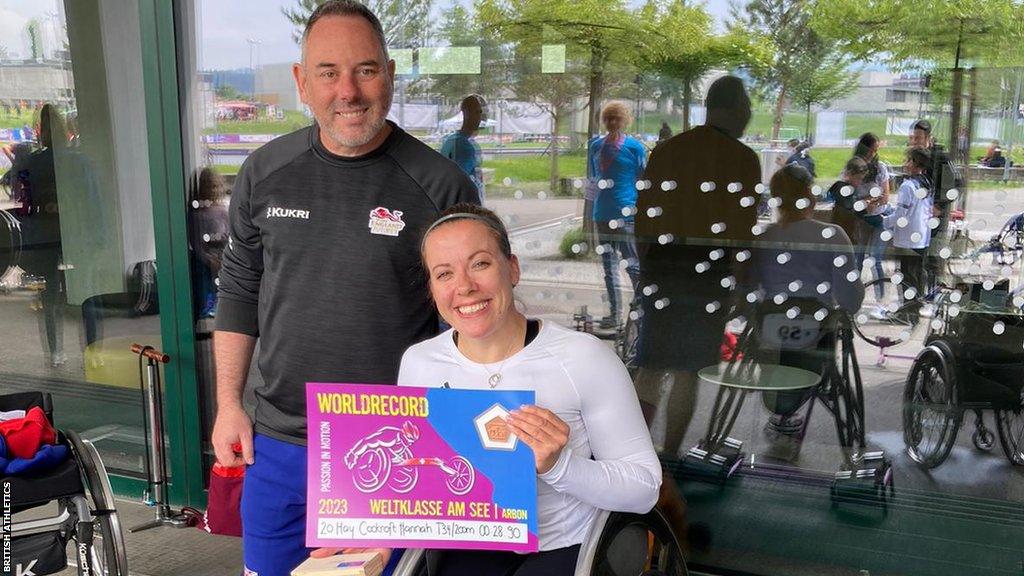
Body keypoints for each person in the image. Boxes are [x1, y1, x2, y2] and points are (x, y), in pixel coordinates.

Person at [210, 2, 479, 575]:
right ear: (302, 83)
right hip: (276, 440)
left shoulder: (440, 185)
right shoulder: (263, 172)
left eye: (366, 70)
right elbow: (238, 291)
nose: (349, 91)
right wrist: (229, 405)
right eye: (329, 72)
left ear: (390, 74)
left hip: (390, 441)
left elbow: (471, 323)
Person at [397, 203, 661, 574]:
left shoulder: (583, 358)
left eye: (480, 264)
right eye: (444, 274)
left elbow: (644, 488)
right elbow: (415, 481)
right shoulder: (419, 363)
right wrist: (361, 524)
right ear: (432, 288)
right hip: (462, 543)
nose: (465, 287)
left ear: (513, 268)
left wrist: (559, 466)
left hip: (563, 549)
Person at [634, 75, 761, 456]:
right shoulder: (742, 160)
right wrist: (741, 284)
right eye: (747, 108)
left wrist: (647, 270)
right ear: (738, 110)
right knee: (689, 370)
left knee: (652, 366)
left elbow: (644, 219)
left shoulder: (669, 151)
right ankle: (671, 453)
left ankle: (636, 452)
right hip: (710, 273)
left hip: (663, 265)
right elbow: (741, 233)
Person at [749, 164, 864, 435]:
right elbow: (851, 299)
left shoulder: (764, 237)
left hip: (769, 331)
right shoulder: (832, 235)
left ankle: (781, 407)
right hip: (816, 332)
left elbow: (749, 290)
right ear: (811, 196)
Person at [16, 104, 67, 367]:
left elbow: (21, 197)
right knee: (89, 300)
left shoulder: (33, 164)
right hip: (71, 237)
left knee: (50, 298)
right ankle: (93, 348)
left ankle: (55, 351)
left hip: (44, 238)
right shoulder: (76, 160)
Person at [587, 101, 646, 328]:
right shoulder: (595, 146)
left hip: (626, 215)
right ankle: (614, 313)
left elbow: (643, 180)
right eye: (608, 118)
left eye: (616, 118)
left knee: (633, 266)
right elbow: (593, 180)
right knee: (609, 268)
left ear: (625, 120)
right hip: (601, 213)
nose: (612, 122)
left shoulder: (635, 148)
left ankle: (639, 310)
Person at [882, 148, 934, 320]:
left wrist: (884, 221)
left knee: (906, 276)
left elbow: (901, 216)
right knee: (916, 274)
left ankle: (908, 311)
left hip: (907, 238)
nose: (905, 164)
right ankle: (915, 309)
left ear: (913, 163)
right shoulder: (926, 182)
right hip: (922, 236)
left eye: (907, 160)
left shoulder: (907, 186)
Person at [189, 167, 229, 318]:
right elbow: (196, 241)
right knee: (203, 277)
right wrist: (208, 259)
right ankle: (207, 307)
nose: (215, 190)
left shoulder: (223, 211)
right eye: (211, 186)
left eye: (218, 186)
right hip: (205, 260)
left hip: (222, 256)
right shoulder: (198, 214)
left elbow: (230, 234)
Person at [440, 95, 486, 203]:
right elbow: (462, 183)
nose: (480, 117)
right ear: (465, 113)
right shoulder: (463, 146)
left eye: (480, 112)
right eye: (477, 112)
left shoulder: (451, 140)